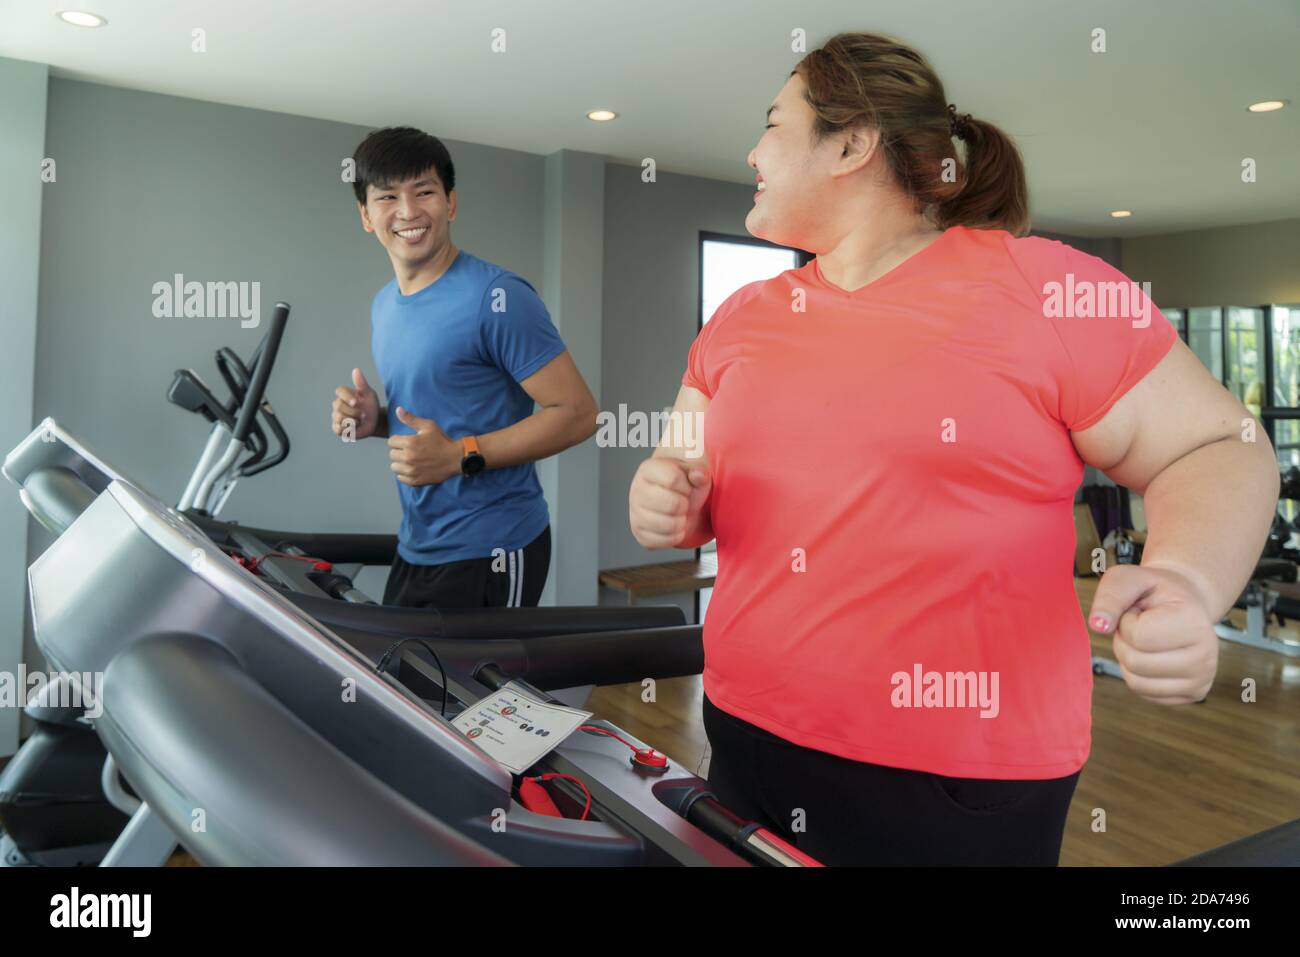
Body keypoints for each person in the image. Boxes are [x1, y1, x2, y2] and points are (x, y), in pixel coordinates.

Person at [628, 32, 1279, 866]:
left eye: (772, 124)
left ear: (853, 143)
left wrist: (1188, 579)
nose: (753, 151)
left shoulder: (1043, 291)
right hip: (745, 732)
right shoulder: (742, 317)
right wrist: (665, 500)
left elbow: (1219, 445)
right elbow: (682, 482)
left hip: (951, 777)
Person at [333, 127, 597, 609]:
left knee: (485, 689)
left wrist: (461, 456)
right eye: (388, 196)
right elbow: (446, 415)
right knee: (400, 685)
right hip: (418, 544)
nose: (408, 211)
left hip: (494, 547)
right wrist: (378, 423)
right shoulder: (384, 304)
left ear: (450, 203)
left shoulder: (498, 298)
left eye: (425, 192)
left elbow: (578, 412)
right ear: (366, 216)